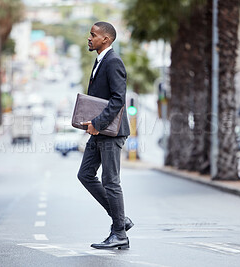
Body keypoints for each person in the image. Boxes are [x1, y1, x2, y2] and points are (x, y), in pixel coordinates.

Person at [77, 21, 133, 250]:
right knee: (85, 174)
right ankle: (121, 221)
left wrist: (98, 124)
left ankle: (119, 233)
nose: (89, 38)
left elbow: (119, 100)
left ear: (106, 39)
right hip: (100, 131)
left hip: (111, 131)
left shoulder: (113, 62)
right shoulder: (100, 60)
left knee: (111, 182)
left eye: (93, 35)